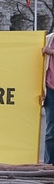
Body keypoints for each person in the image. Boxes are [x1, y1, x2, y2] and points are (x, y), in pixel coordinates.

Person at [42, 33, 54, 164]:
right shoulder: (48, 39)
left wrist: (51, 52)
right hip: (50, 89)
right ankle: (49, 164)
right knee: (51, 130)